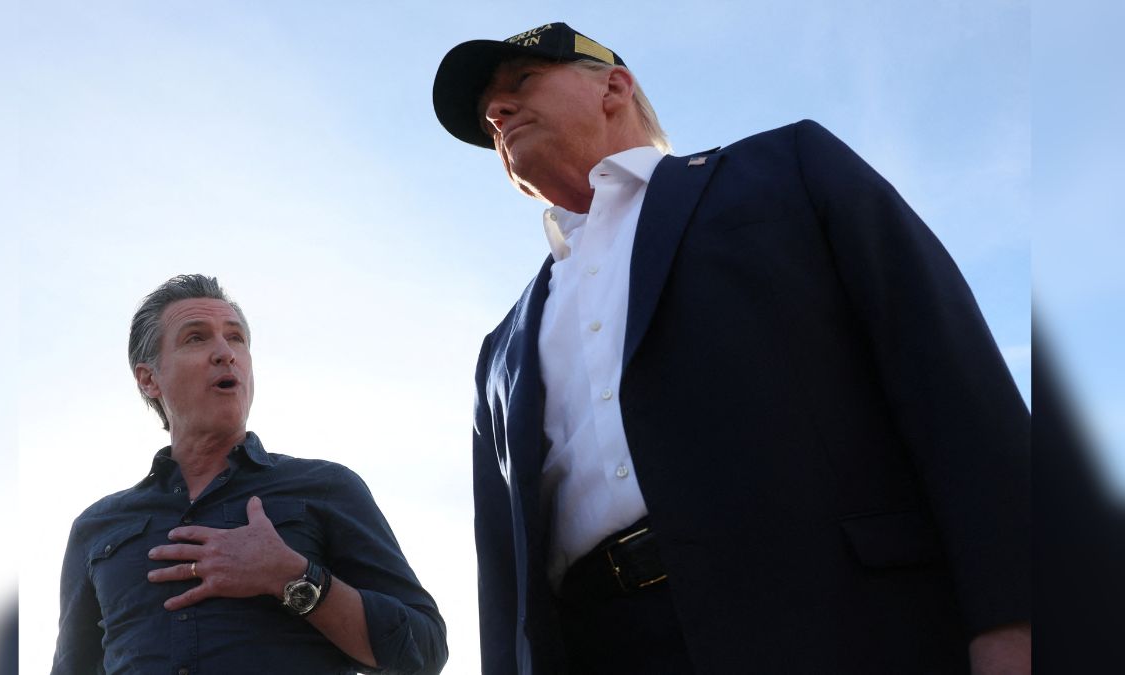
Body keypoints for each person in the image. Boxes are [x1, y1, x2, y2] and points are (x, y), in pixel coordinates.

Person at [432, 22, 1029, 674]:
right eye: (490, 118)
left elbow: (949, 375)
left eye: (520, 83)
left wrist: (1016, 612)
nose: (498, 112)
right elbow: (506, 572)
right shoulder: (502, 348)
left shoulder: (787, 167)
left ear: (614, 85)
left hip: (843, 623)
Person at [51, 274, 447, 674]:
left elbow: (424, 650)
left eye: (236, 338)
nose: (226, 353)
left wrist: (290, 577)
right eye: (196, 338)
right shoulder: (96, 527)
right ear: (149, 379)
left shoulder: (327, 488)